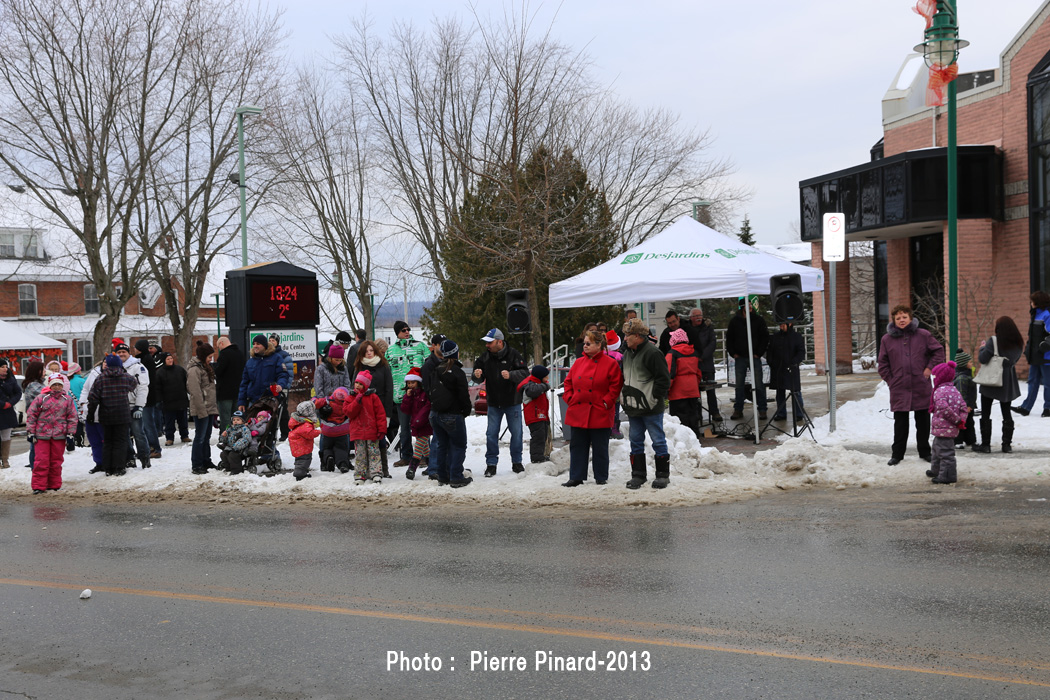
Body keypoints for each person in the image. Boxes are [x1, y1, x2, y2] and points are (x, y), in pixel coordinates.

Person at [877, 305, 945, 465]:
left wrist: (929, 369)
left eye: (904, 317)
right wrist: (891, 380)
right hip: (899, 387)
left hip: (920, 385)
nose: (901, 320)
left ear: (910, 318)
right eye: (898, 318)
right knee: (900, 423)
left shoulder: (923, 335)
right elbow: (882, 363)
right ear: (894, 320)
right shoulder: (887, 339)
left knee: (923, 422)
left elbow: (939, 351)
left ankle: (925, 452)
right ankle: (897, 454)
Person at [562, 331, 623, 486]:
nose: (585, 346)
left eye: (588, 343)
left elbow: (615, 386)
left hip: (599, 411)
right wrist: (570, 398)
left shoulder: (610, 363)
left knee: (600, 447)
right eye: (584, 343)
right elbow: (568, 382)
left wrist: (606, 402)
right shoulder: (578, 362)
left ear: (599, 345)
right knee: (577, 446)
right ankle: (576, 476)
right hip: (578, 409)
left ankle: (601, 477)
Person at [620, 318, 672, 489]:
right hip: (633, 407)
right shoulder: (627, 353)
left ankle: (663, 475)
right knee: (635, 440)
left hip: (651, 407)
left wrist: (654, 398)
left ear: (638, 336)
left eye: (628, 335)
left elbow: (663, 379)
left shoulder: (653, 353)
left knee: (657, 440)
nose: (625, 338)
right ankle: (638, 475)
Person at [474, 328, 529, 477]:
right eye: (486, 343)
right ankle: (491, 464)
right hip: (493, 403)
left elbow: (525, 374)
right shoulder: (485, 357)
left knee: (517, 433)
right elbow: (476, 375)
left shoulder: (514, 354)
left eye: (490, 342)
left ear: (499, 342)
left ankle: (517, 462)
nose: (487, 345)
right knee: (491, 434)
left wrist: (511, 375)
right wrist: (477, 375)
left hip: (513, 402)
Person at [973, 316, 1024, 453]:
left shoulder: (993, 341)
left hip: (991, 379)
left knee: (985, 412)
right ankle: (1006, 445)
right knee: (1006, 413)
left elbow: (983, 359)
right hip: (1007, 380)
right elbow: (1014, 360)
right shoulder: (1018, 343)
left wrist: (982, 348)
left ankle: (985, 445)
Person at [429, 339, 473, 487]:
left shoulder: (436, 369)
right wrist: (464, 412)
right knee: (458, 446)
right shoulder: (457, 372)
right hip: (452, 414)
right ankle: (455, 477)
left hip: (435, 414)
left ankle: (443, 476)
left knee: (442, 446)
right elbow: (463, 396)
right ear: (456, 353)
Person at [86, 354, 137, 476]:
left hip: (106, 415)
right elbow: (133, 384)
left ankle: (108, 467)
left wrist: (91, 414)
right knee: (120, 441)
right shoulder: (126, 377)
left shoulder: (100, 378)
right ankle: (119, 467)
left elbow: (93, 398)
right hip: (122, 414)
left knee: (108, 441)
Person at [26, 373, 78, 493]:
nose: (56, 387)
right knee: (41, 461)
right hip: (41, 435)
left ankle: (54, 484)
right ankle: (39, 486)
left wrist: (70, 434)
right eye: (54, 385)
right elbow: (32, 414)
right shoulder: (41, 398)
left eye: (58, 385)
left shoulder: (67, 399)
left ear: (62, 386)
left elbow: (72, 417)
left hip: (59, 435)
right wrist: (31, 432)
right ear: (50, 385)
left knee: (56, 461)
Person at [386, 320, 427, 469]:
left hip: (419, 395)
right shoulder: (390, 351)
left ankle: (424, 456)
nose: (407, 332)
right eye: (404, 330)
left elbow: (428, 365)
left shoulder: (420, 346)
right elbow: (387, 373)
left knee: (421, 425)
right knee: (404, 428)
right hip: (400, 395)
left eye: (408, 329)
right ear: (397, 332)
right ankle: (406, 456)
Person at [353, 340, 394, 475]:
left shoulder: (383, 366)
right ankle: (366, 470)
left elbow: (389, 390)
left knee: (380, 439)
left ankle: (383, 470)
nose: (369, 354)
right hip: (363, 410)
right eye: (366, 351)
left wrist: (388, 413)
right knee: (364, 442)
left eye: (371, 350)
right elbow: (354, 389)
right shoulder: (358, 366)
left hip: (380, 407)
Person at [726, 297, 770, 420]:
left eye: (751, 304)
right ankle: (738, 409)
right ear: (742, 307)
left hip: (754, 356)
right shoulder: (735, 321)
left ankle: (762, 409)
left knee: (759, 384)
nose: (750, 307)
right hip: (740, 357)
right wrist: (733, 352)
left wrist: (759, 353)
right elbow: (729, 338)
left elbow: (764, 337)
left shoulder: (758, 320)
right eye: (747, 305)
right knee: (739, 385)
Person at [927, 361, 969, 484]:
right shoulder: (954, 390)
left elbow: (942, 407)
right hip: (946, 428)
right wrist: (961, 420)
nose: (933, 379)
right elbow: (963, 407)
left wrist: (956, 420)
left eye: (934, 376)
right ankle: (936, 470)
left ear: (940, 377)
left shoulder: (939, 391)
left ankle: (947, 476)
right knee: (936, 450)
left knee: (945, 453)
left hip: (944, 428)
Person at [114, 341, 152, 470]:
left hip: (134, 405)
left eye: (124, 352)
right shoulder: (114, 367)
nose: (121, 354)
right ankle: (130, 458)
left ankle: (145, 457)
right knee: (124, 435)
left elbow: (143, 387)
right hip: (120, 406)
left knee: (138, 433)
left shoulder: (138, 367)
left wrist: (139, 405)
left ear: (129, 353)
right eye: (119, 352)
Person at [346, 370, 387, 484]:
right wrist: (357, 400)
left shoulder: (373, 397)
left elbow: (380, 414)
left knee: (374, 453)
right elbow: (349, 412)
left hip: (371, 432)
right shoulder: (351, 397)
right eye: (357, 383)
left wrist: (382, 429)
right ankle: (360, 474)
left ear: (366, 385)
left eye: (361, 384)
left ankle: (376, 473)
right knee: (360, 455)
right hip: (358, 432)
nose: (358, 386)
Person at [1014, 290, 1050, 416]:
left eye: (1032, 300)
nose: (1031, 303)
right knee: (1032, 381)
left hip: (1046, 356)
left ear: (1037, 302)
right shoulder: (1035, 315)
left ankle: (1048, 408)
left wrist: (1045, 345)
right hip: (1035, 355)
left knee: (1048, 383)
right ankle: (1026, 407)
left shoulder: (1047, 315)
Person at [186, 343, 218, 475]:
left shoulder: (205, 367)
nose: (211, 359)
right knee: (200, 437)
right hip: (202, 408)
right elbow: (195, 391)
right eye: (209, 357)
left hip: (209, 407)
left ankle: (206, 460)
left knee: (206, 436)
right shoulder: (194, 369)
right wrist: (201, 410)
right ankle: (197, 464)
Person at [237, 334, 291, 412]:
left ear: (265, 345)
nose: (255, 346)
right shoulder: (250, 362)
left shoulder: (276, 358)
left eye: (258, 344)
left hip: (271, 401)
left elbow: (283, 375)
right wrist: (241, 402)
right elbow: (244, 383)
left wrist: (280, 385)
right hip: (254, 401)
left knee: (271, 423)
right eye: (254, 344)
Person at [665, 327, 702, 439]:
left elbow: (669, 373)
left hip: (678, 392)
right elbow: (698, 373)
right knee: (693, 417)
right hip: (693, 390)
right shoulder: (694, 352)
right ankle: (695, 438)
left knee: (680, 419)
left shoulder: (672, 354)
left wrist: (666, 390)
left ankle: (683, 441)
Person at [766, 321, 806, 423]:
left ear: (790, 324)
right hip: (778, 368)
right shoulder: (776, 336)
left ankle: (799, 413)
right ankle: (781, 413)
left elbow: (801, 352)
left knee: (796, 391)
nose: (781, 326)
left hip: (791, 368)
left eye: (783, 324)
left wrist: (793, 362)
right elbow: (770, 351)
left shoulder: (796, 336)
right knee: (780, 392)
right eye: (780, 324)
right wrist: (771, 362)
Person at [688, 307, 721, 421]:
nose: (698, 318)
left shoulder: (708, 328)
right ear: (691, 318)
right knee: (695, 392)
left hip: (707, 364)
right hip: (693, 364)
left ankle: (715, 412)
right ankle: (697, 414)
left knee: (711, 391)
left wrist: (702, 356)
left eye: (700, 315)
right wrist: (695, 357)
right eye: (696, 316)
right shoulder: (687, 329)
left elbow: (712, 343)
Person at [399, 367, 432, 480]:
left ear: (418, 382)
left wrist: (419, 421)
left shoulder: (424, 394)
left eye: (412, 382)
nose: (410, 385)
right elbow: (405, 409)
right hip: (416, 424)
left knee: (418, 449)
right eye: (408, 383)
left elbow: (426, 409)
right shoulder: (410, 395)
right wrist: (407, 397)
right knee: (425, 449)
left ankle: (411, 469)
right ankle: (432, 467)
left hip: (425, 425)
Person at [133, 339, 163, 459]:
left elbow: (146, 381)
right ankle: (149, 447)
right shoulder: (143, 359)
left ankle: (155, 448)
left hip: (147, 397)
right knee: (145, 424)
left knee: (148, 424)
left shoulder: (146, 360)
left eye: (135, 347)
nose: (134, 349)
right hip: (147, 396)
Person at [314, 387, 353, 473]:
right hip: (342, 431)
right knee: (341, 449)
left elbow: (315, 403)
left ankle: (329, 458)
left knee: (327, 448)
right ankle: (343, 464)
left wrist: (314, 399)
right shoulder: (347, 403)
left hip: (328, 431)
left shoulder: (327, 400)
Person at [517, 365, 551, 464]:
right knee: (538, 437)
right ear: (540, 376)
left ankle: (540, 455)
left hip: (541, 416)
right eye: (545, 376)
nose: (547, 379)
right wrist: (545, 386)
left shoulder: (537, 384)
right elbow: (532, 392)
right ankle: (536, 458)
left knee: (542, 436)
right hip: (534, 416)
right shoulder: (530, 385)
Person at [155, 352, 190, 445]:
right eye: (168, 359)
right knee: (169, 422)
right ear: (164, 361)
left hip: (181, 400)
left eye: (171, 358)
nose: (170, 360)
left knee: (183, 420)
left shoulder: (179, 370)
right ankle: (170, 438)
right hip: (168, 402)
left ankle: (185, 436)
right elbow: (157, 388)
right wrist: (160, 400)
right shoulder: (160, 372)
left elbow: (187, 382)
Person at [215, 336, 246, 432]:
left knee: (225, 418)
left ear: (222, 344)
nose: (219, 349)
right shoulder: (240, 354)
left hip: (225, 392)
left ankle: (225, 438)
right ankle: (236, 436)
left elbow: (219, 372)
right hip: (238, 391)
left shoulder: (224, 354)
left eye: (218, 347)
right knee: (236, 418)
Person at [268, 334, 294, 441]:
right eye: (269, 340)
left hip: (282, 387)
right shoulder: (267, 354)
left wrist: (285, 387)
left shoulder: (284, 355)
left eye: (273, 340)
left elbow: (289, 373)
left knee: (282, 410)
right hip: (270, 388)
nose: (271, 342)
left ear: (277, 342)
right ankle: (271, 433)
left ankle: (285, 433)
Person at [288, 400, 321, 481]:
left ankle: (301, 471)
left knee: (300, 460)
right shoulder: (305, 424)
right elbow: (309, 434)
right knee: (305, 460)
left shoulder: (300, 420)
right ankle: (300, 474)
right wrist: (318, 431)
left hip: (299, 446)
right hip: (303, 446)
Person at [21, 360, 46, 468]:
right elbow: (48, 395)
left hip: (40, 419)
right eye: (43, 369)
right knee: (35, 446)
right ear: (37, 371)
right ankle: (35, 469)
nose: (45, 371)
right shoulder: (33, 385)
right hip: (36, 420)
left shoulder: (39, 383)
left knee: (36, 446)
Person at [0, 358, 22, 469]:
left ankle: (5, 459)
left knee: (6, 436)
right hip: (1, 407)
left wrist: (10, 403)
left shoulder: (10, 379)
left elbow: (18, 392)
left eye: (6, 366)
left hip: (7, 412)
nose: (5, 369)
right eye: (2, 367)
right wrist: (2, 404)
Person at [953, 350, 977, 448]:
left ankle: (970, 440)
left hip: (969, 404)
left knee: (969, 422)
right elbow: (962, 393)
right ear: (963, 364)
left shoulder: (967, 375)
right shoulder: (962, 378)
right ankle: (958, 441)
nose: (972, 364)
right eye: (970, 362)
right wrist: (966, 406)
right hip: (964, 406)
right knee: (962, 423)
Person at [66, 362, 86, 449]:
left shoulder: (68, 382)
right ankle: (80, 443)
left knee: (75, 427)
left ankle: (75, 442)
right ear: (77, 371)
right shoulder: (82, 381)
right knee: (82, 427)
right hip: (81, 408)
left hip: (71, 408)